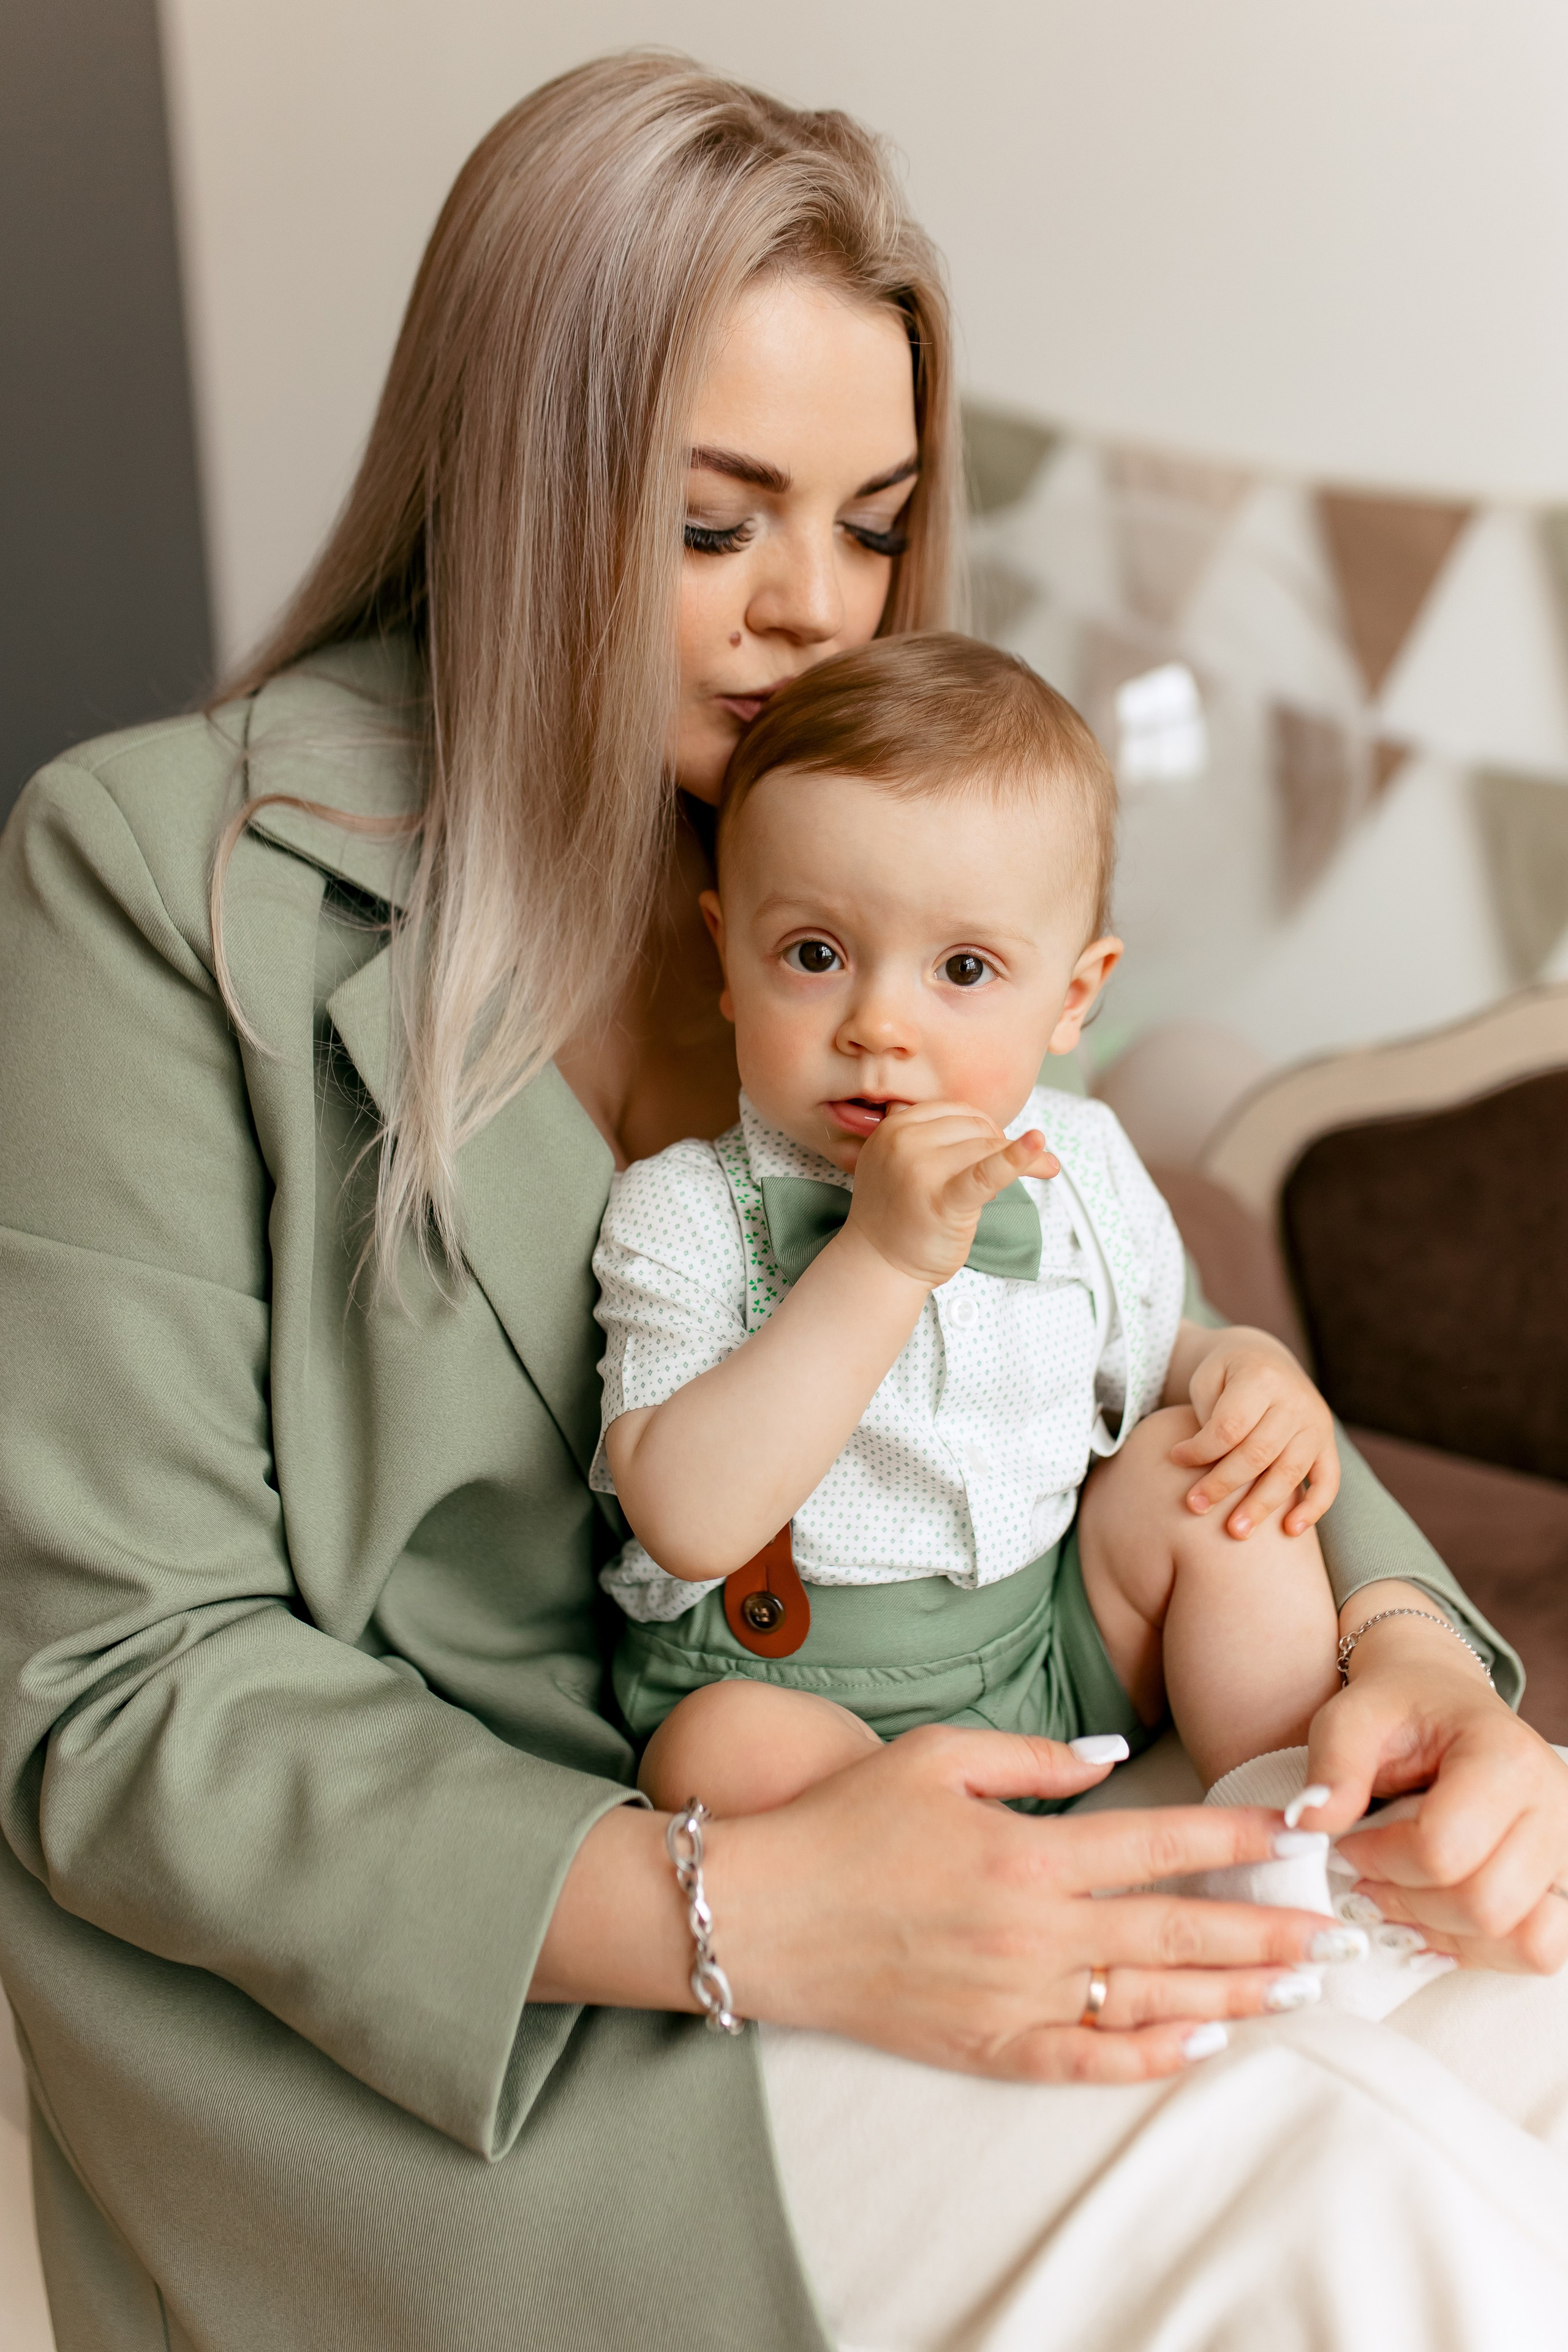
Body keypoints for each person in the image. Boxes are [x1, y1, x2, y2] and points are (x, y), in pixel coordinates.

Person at [2, 51, 1567, 2352]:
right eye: (714, 526)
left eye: (874, 519)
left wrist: (1428, 1673)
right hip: (482, 2024)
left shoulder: (871, 858)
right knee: (1352, 2213)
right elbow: (116, 1696)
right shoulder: (157, 875)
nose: (809, 617)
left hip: (965, 1789)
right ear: (517, 489)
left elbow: (1137, 1339)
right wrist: (749, 1911)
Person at [595, 631, 1350, 1822]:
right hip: (789, 1684)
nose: (878, 1024)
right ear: (726, 958)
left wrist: (1242, 1367)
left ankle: (1284, 1820)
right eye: (813, 954)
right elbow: (686, 1523)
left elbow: (1156, 1359)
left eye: (960, 967)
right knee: (710, 1757)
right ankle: (938, 1872)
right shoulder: (688, 1208)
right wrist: (880, 1256)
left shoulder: (1081, 1164)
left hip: (1044, 1659)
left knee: (1208, 1488)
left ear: (1074, 996)